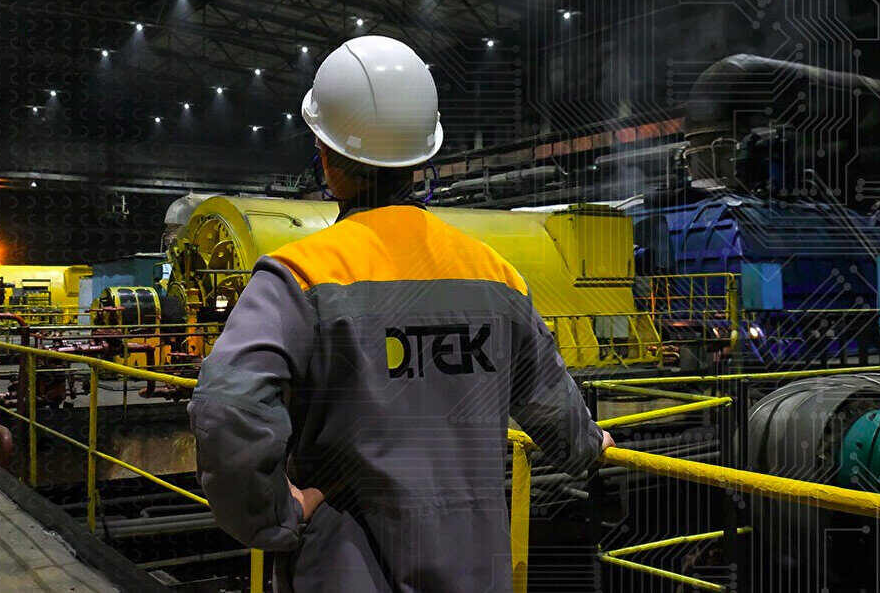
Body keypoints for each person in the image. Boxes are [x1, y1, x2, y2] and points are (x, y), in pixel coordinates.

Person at [188, 35, 613, 592]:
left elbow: (227, 405)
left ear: (325, 156)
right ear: (423, 157)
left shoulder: (299, 276)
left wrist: (275, 515)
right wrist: (588, 445)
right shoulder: (496, 275)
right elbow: (554, 410)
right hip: (476, 574)